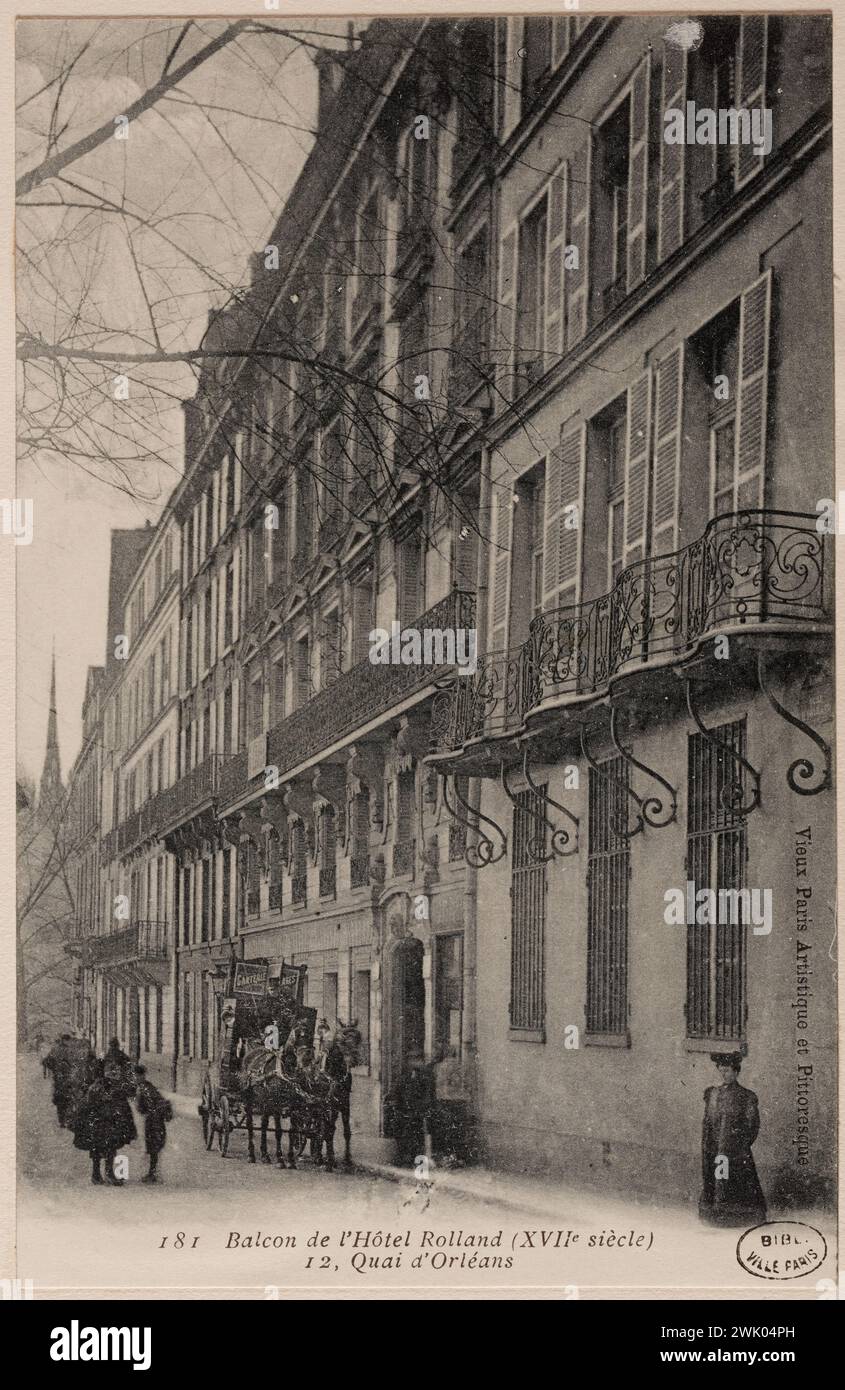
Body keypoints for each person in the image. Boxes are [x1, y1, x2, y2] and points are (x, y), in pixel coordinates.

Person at [699, 1052, 767, 1227]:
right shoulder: (713, 1094)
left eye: (728, 1071)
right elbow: (708, 1122)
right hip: (715, 1149)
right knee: (716, 1180)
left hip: (736, 1152)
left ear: (736, 1072)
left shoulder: (746, 1097)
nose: (724, 1075)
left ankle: (739, 1218)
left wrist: (740, 1146)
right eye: (722, 1071)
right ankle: (716, 1214)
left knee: (737, 1182)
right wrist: (710, 1144)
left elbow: (753, 1126)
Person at [73, 1062, 137, 1185]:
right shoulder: (107, 1087)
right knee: (110, 1147)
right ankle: (108, 1174)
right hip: (107, 1124)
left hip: (98, 1124)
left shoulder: (95, 1087)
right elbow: (122, 1103)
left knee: (98, 1148)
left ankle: (97, 1175)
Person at [388, 1055, 434, 1169]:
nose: (414, 1064)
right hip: (404, 1111)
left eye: (417, 1061)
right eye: (412, 1061)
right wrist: (396, 1105)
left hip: (417, 1112)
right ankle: (402, 1158)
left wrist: (422, 1109)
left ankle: (416, 1160)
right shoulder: (403, 1078)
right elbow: (396, 1093)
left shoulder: (424, 1079)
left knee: (416, 1136)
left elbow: (427, 1096)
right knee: (402, 1133)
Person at [431, 1046, 473, 1167]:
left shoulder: (439, 1067)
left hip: (444, 1101)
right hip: (460, 1101)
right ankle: (458, 1157)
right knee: (459, 1130)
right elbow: (468, 1084)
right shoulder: (463, 1067)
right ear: (456, 1054)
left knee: (445, 1130)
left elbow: (437, 1084)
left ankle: (447, 1158)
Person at [134, 1065, 173, 1184]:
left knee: (152, 1147)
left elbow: (140, 1108)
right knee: (154, 1147)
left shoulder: (142, 1088)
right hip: (157, 1120)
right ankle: (153, 1173)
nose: (135, 1078)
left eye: (136, 1076)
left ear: (140, 1076)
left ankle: (152, 1174)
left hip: (152, 1121)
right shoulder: (149, 1086)